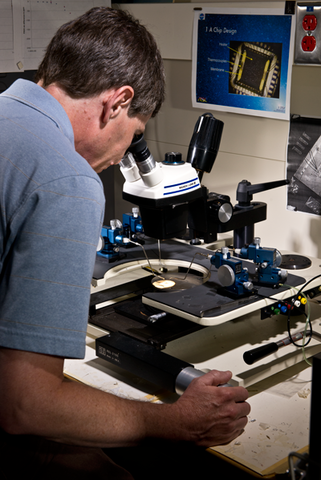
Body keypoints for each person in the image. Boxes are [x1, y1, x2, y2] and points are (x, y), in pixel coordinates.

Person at [0, 6, 250, 479]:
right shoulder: (65, 178)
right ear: (117, 102)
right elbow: (26, 405)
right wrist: (177, 422)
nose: (120, 160)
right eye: (134, 136)